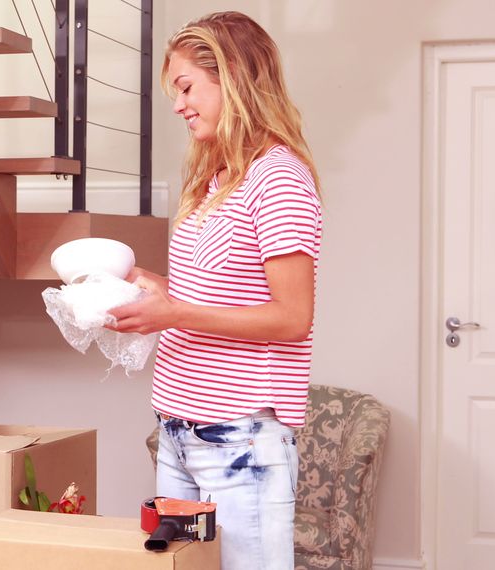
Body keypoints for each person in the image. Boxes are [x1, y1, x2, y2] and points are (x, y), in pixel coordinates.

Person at [108, 12, 322, 570]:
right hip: (178, 431)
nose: (178, 105)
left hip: (238, 441)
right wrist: (158, 291)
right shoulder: (216, 180)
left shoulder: (278, 178)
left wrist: (173, 310)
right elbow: (219, 293)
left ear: (234, 79)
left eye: (186, 88)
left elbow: (292, 317)